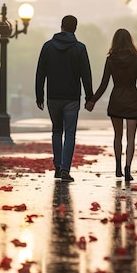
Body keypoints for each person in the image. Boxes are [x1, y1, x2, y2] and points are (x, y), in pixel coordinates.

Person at [85, 28, 137, 181]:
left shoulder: (111, 60)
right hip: (133, 101)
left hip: (116, 100)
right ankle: (128, 169)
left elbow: (104, 84)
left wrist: (92, 101)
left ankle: (117, 167)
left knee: (117, 136)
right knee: (131, 138)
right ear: (130, 41)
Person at [35, 15, 93, 182]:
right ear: (75, 28)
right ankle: (65, 169)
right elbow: (86, 75)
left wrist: (39, 94)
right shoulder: (80, 49)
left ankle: (57, 165)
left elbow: (41, 72)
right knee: (69, 133)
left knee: (56, 131)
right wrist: (89, 97)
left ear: (61, 26)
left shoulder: (47, 47)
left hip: (53, 96)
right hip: (72, 97)